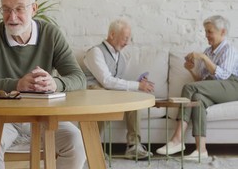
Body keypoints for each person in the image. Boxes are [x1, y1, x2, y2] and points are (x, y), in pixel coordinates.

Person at [0, 0, 87, 169]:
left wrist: (54, 83)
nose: (12, 17)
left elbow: (79, 78)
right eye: (6, 10)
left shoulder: (51, 34)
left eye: (19, 9)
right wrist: (17, 85)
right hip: (4, 118)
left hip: (45, 117)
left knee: (76, 141)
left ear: (34, 8)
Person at [156, 15, 238, 160]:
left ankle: (177, 139)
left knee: (189, 88)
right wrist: (191, 69)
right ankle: (201, 150)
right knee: (197, 98)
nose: (206, 35)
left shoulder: (228, 49)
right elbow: (201, 82)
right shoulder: (208, 51)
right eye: (206, 31)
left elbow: (223, 75)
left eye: (210, 32)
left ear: (223, 32)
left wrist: (204, 58)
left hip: (232, 86)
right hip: (216, 87)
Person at [83, 18, 154, 160]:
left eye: (128, 39)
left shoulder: (120, 57)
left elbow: (116, 82)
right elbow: (106, 81)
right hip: (92, 90)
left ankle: (134, 146)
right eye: (125, 38)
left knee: (133, 98)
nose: (127, 43)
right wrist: (137, 86)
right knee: (102, 96)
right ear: (112, 35)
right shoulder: (96, 52)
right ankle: (92, 148)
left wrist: (136, 84)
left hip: (109, 92)